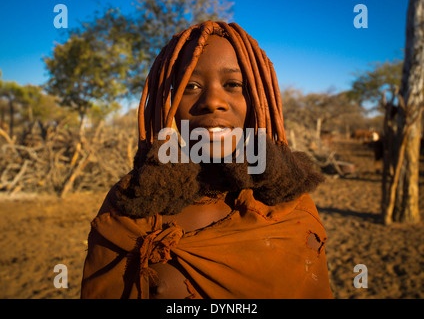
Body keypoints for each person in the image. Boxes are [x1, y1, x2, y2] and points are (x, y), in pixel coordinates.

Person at [80, 21, 333, 299]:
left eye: (233, 84)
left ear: (257, 100)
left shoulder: (292, 209)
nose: (213, 101)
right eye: (191, 86)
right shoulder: (132, 207)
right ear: (169, 103)